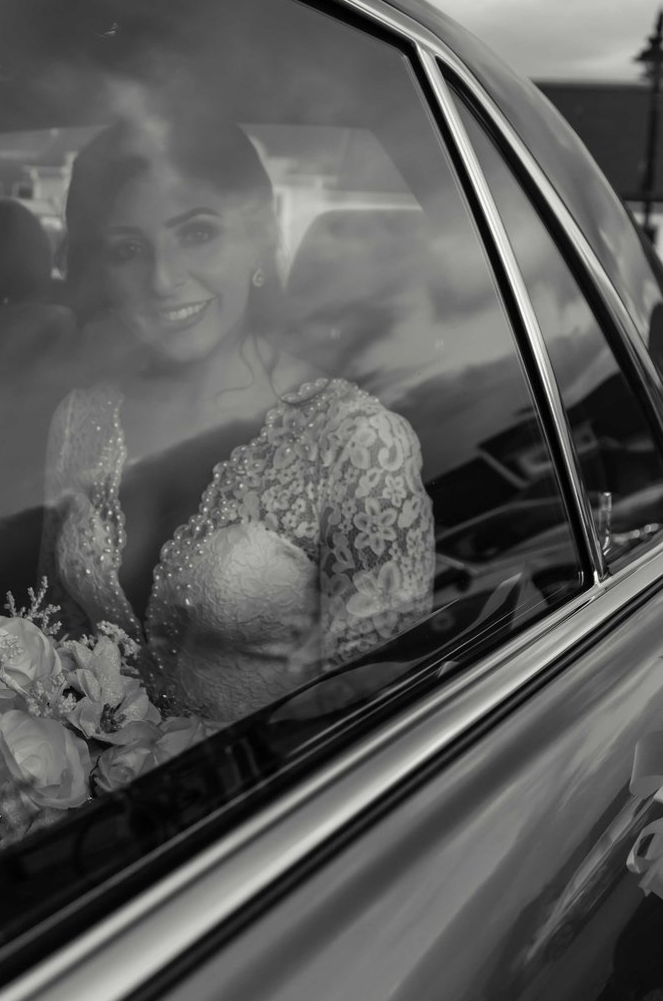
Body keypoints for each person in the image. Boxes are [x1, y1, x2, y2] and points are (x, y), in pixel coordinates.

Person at [38, 108, 435, 724]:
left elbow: (381, 713)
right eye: (128, 249)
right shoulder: (79, 419)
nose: (164, 279)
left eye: (197, 233)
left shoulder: (355, 441)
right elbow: (54, 631)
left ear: (259, 235)